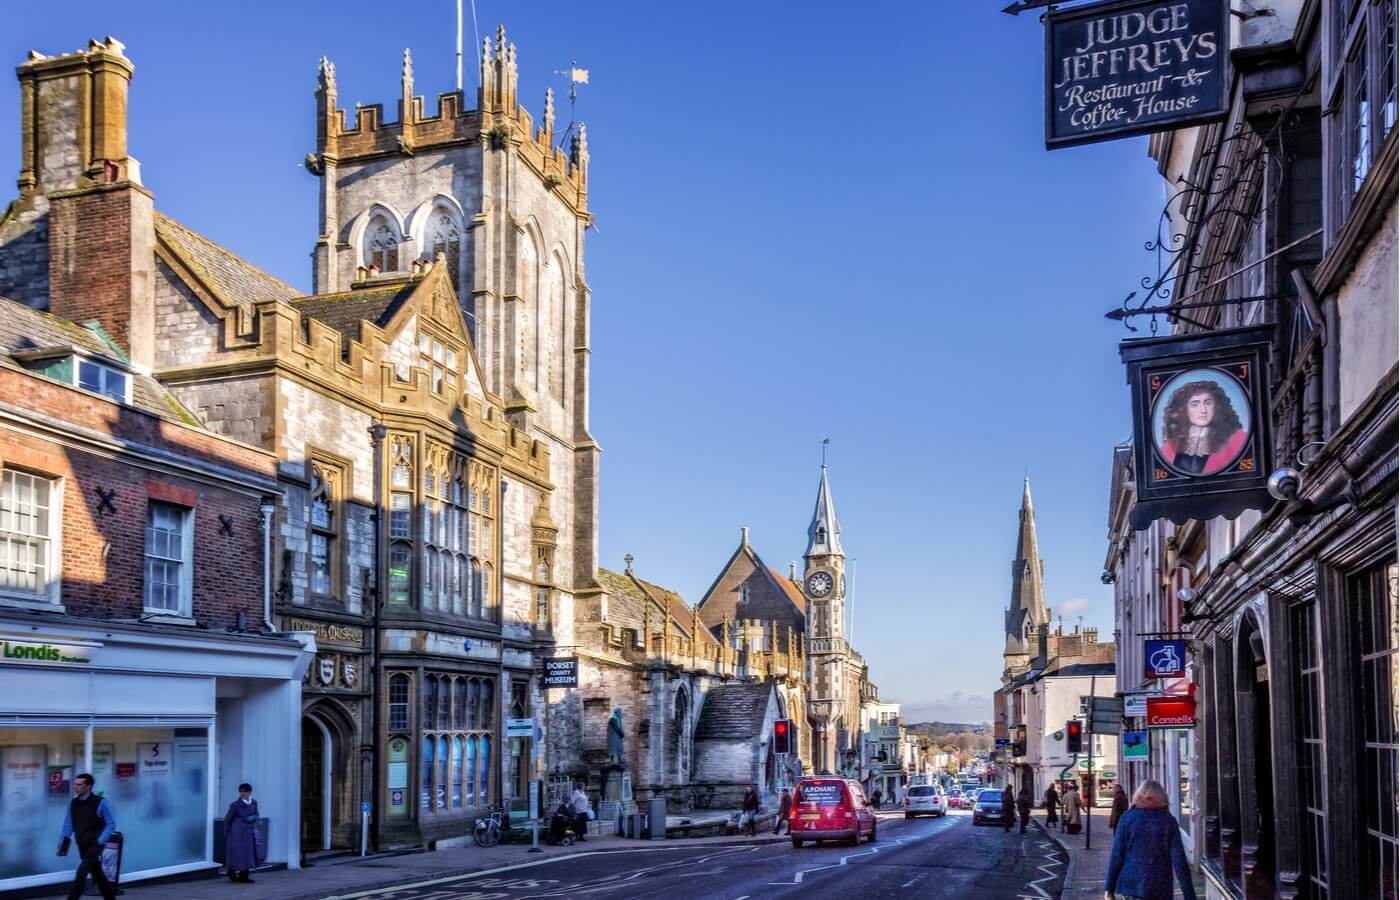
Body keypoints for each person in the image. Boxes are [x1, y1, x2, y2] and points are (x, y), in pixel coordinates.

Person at [1103, 779, 1196, 900]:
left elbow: (1117, 855)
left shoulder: (1127, 819)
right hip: (1159, 886)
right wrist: (1189, 895)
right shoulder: (1168, 821)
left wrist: (1109, 889)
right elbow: (1179, 861)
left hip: (1131, 884)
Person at [1158, 378, 1248, 476]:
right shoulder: (1169, 447)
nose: (1203, 410)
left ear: (1217, 406)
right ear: (1183, 409)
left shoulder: (1238, 439)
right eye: (1195, 404)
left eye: (1207, 403)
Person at [57, 772, 117, 900]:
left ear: (88, 786)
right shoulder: (73, 803)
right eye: (75, 784)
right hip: (82, 845)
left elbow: (111, 824)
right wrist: (63, 843)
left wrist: (100, 841)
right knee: (98, 876)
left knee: (80, 875)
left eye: (79, 785)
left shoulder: (101, 802)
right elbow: (68, 824)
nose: (75, 787)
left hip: (95, 846)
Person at [224, 782, 260, 883]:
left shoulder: (254, 803)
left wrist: (254, 818)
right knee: (237, 854)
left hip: (248, 832)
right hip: (236, 833)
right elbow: (227, 820)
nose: (242, 794)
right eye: (240, 792)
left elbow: (257, 814)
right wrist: (226, 834)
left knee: (248, 855)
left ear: (249, 792)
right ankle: (231, 873)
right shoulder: (235, 805)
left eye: (244, 792)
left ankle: (244, 876)